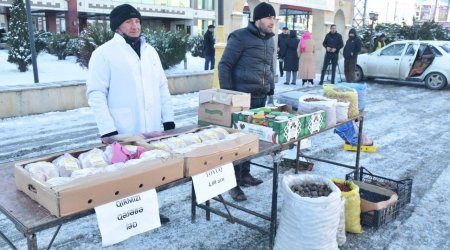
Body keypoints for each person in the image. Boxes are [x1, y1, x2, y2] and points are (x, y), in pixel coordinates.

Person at [86, 4, 175, 223]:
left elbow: (162, 86)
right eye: (129, 22)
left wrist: (169, 118)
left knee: (149, 168)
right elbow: (96, 93)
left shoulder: (150, 51)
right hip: (122, 126)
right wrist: (108, 129)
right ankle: (123, 217)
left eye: (137, 21)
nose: (135, 26)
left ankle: (148, 211)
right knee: (123, 172)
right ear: (117, 27)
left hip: (151, 124)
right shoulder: (104, 53)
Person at [218, 2, 276, 202]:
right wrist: (230, 96)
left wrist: (271, 87)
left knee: (252, 139)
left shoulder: (270, 40)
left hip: (261, 97)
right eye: (269, 18)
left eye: (273, 18)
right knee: (237, 141)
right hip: (242, 98)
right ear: (258, 19)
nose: (272, 22)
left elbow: (269, 65)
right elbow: (224, 65)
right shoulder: (240, 36)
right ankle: (232, 183)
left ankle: (244, 174)